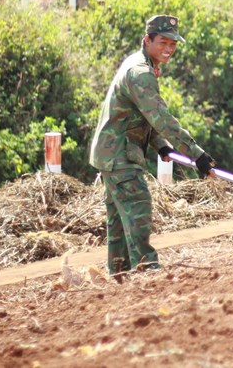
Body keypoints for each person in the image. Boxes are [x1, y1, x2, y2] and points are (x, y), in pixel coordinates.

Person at [90, 14, 216, 277]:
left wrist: (160, 146)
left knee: (119, 221)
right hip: (119, 155)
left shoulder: (140, 64)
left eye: (173, 43)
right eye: (163, 42)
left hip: (112, 153)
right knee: (138, 207)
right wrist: (196, 154)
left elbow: (142, 116)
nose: (169, 48)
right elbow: (161, 118)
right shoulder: (141, 73)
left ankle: (120, 275)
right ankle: (149, 273)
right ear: (147, 40)